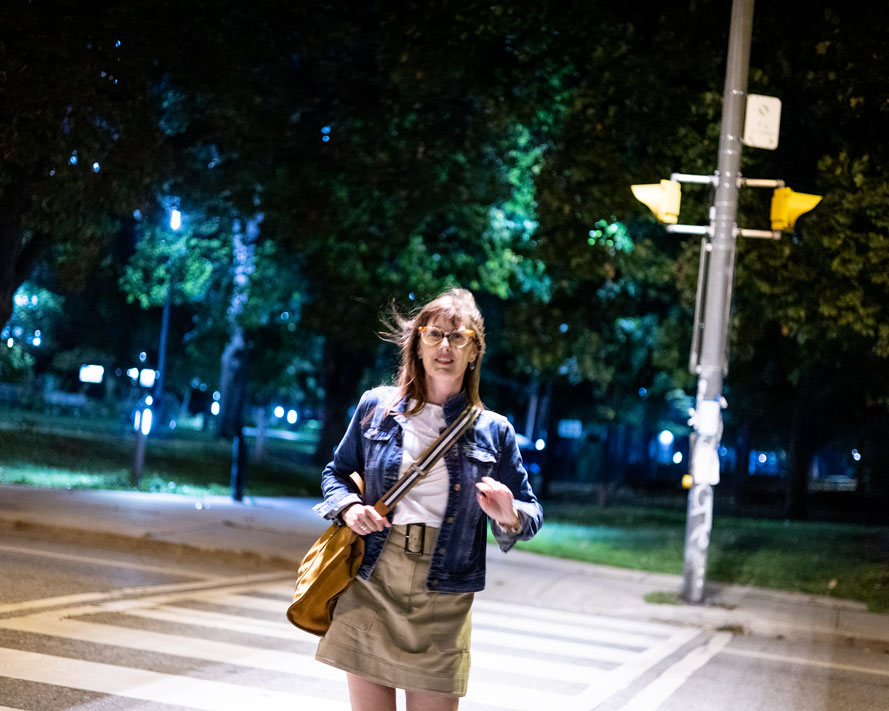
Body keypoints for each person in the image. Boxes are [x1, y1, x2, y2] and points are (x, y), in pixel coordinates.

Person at [312, 287, 543, 711]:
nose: (445, 347)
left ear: (474, 352)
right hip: (373, 576)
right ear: (417, 343)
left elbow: (530, 511)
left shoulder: (495, 430)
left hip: (445, 592)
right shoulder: (375, 408)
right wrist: (349, 507)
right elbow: (337, 473)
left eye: (459, 338)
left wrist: (509, 515)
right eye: (434, 334)